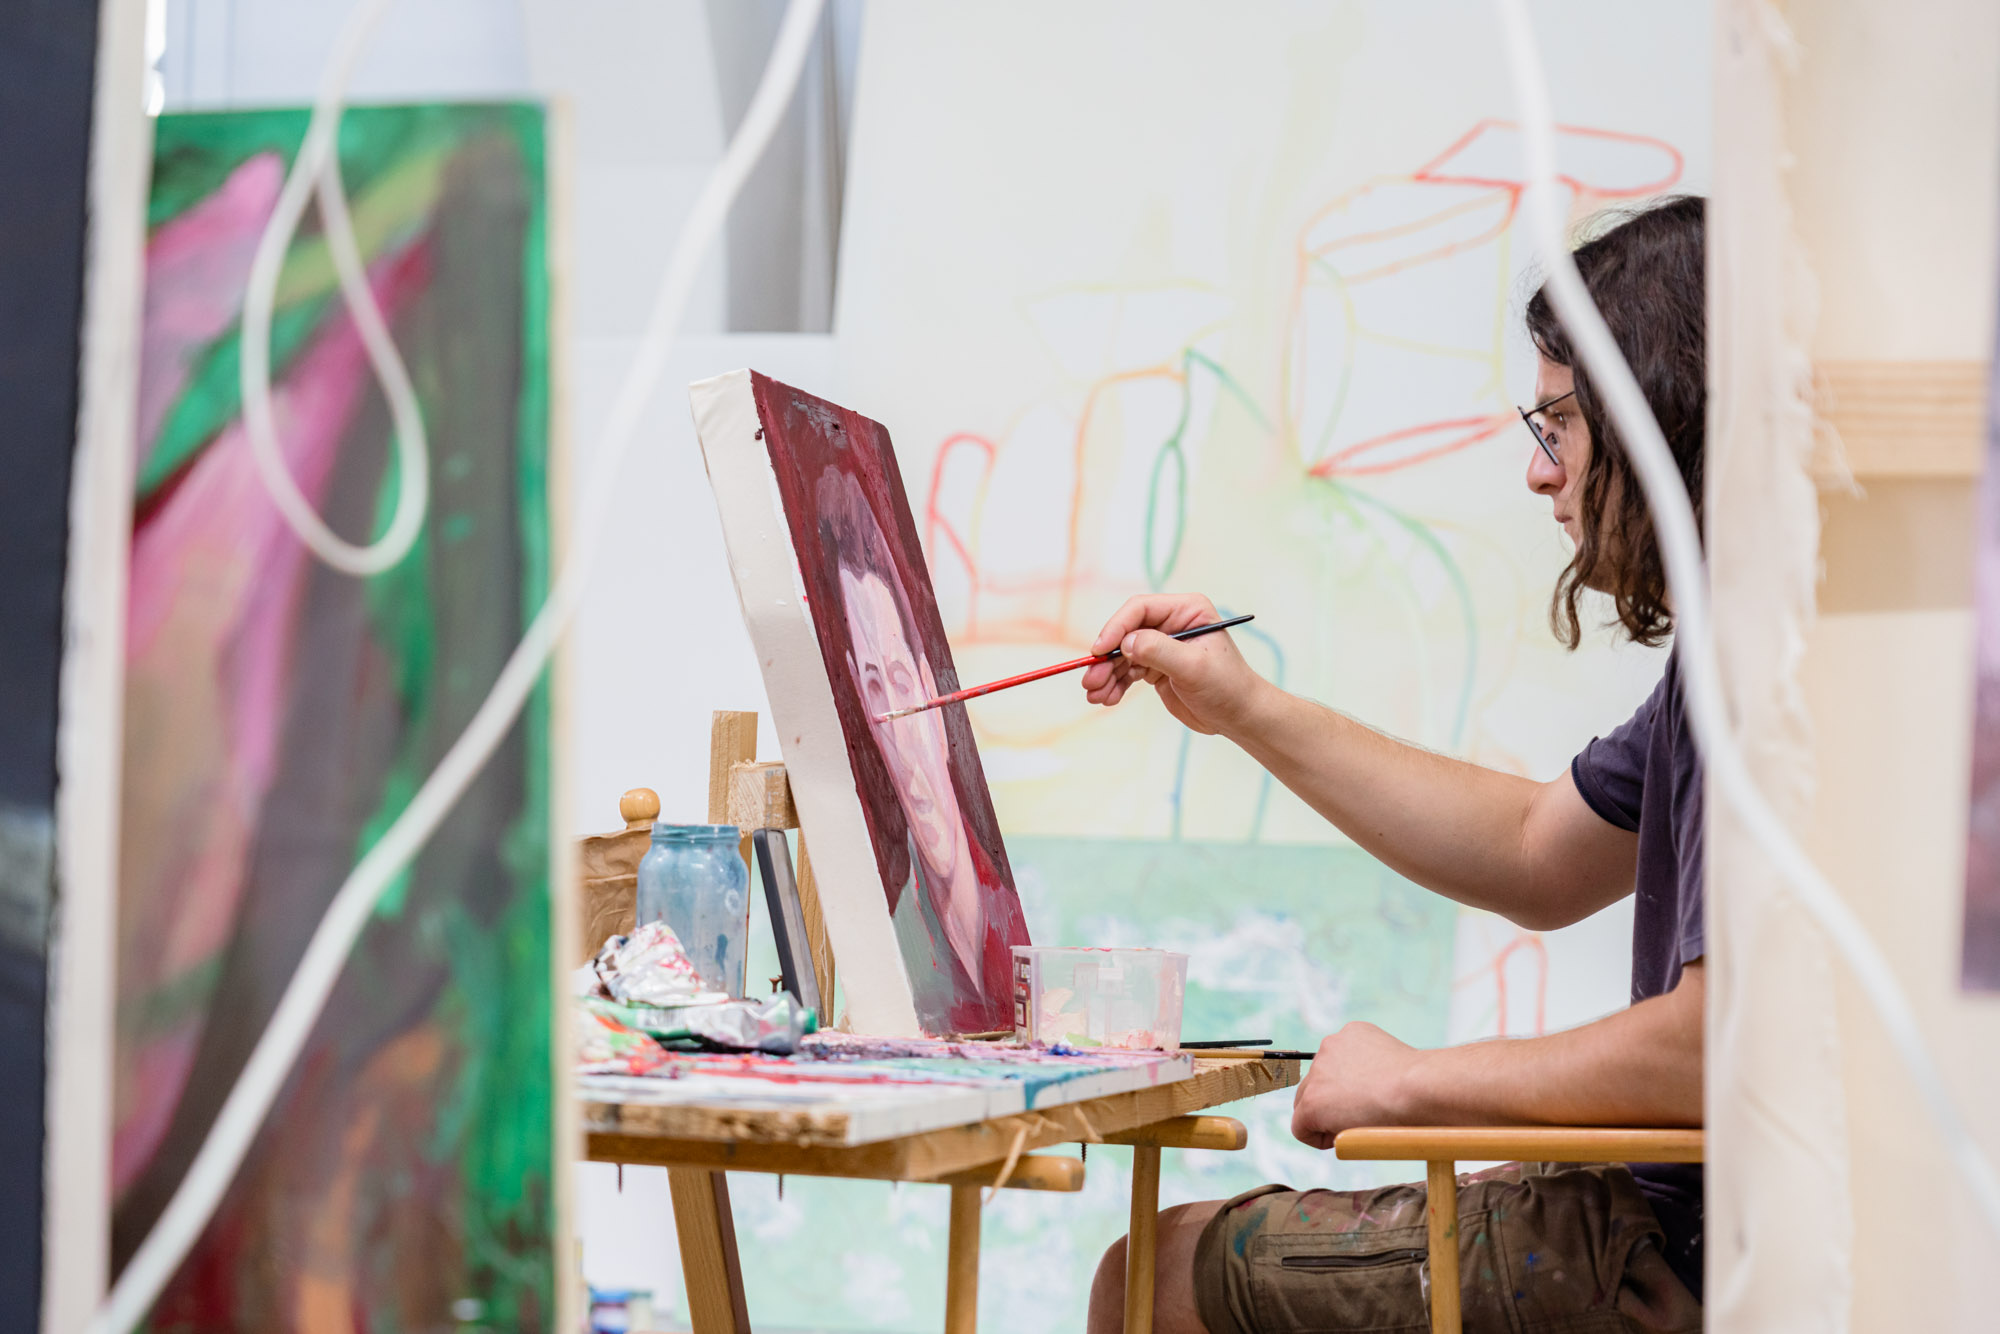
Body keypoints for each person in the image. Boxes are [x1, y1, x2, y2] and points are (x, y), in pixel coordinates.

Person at [1080, 195, 1708, 1334]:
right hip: (1671, 1211)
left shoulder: (1770, 679)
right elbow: (1533, 851)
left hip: (1688, 1259)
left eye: (1559, 426)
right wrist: (1246, 706)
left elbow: (1716, 1044)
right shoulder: (1724, 665)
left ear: (1657, 417)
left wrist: (1411, 1080)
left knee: (1153, 1279)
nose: (1540, 474)